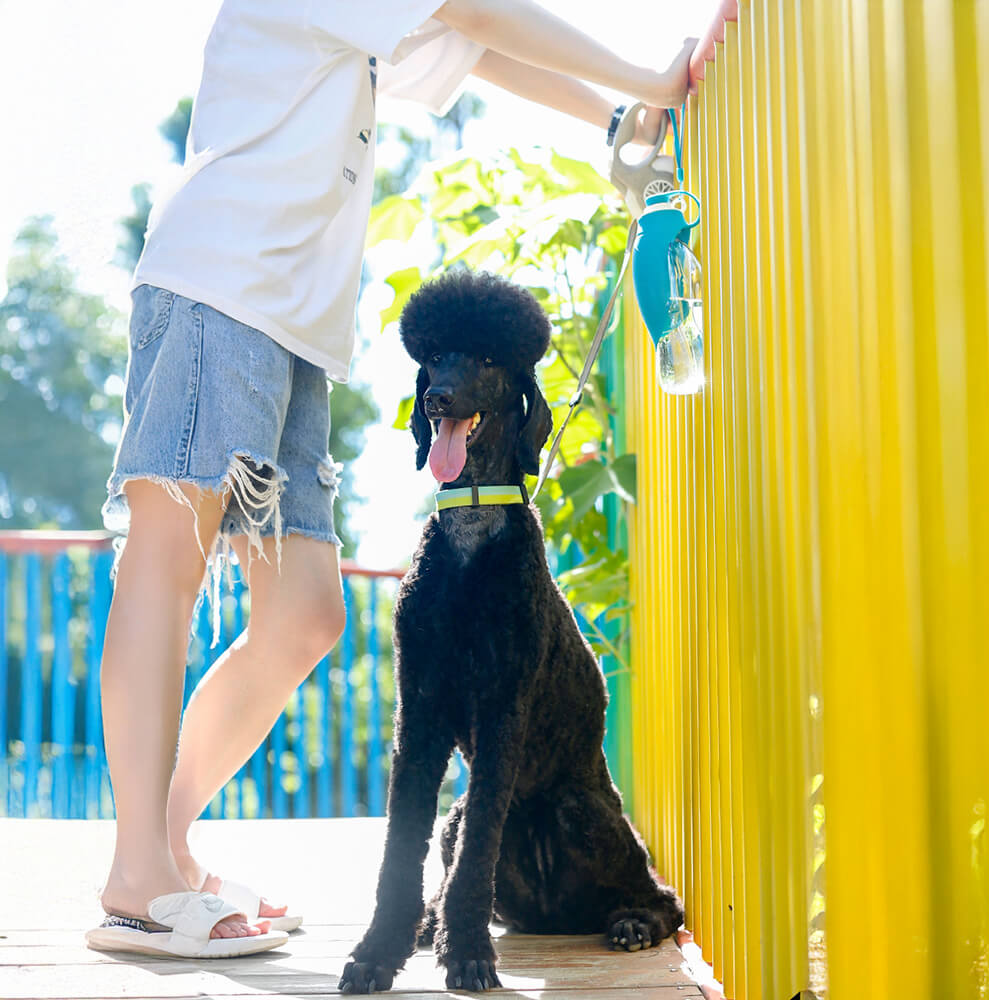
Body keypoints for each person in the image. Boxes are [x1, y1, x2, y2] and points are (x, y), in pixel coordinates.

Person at [88, 0, 696, 958]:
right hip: (220, 292)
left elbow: (470, 47)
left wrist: (618, 123)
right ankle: (138, 877)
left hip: (289, 334)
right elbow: (475, 6)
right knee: (168, 557)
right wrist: (648, 81)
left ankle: (162, 843)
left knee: (305, 612)